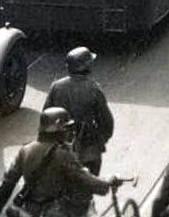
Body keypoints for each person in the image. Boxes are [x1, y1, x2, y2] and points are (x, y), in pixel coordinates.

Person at [42, 47, 115, 176]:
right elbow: (107, 122)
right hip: (88, 151)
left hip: (60, 148)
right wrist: (100, 141)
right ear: (88, 66)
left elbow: (46, 116)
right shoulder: (94, 89)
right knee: (89, 185)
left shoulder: (56, 86)